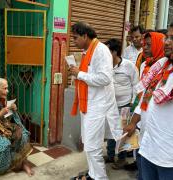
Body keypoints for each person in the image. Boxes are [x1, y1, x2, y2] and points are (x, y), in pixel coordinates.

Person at [125, 20, 173, 180]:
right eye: (166, 37)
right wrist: (133, 122)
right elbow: (146, 99)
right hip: (148, 149)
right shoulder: (162, 66)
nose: (167, 42)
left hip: (172, 159)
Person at [69, 22, 121, 180]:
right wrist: (78, 73)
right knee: (89, 145)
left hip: (98, 107)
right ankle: (93, 174)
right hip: (89, 106)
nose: (74, 41)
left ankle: (99, 177)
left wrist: (80, 74)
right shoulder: (88, 51)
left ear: (85, 36)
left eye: (75, 38)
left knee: (92, 147)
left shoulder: (101, 50)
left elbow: (105, 78)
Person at [124, 31, 165, 178]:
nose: (144, 47)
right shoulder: (146, 65)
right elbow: (144, 97)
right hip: (143, 118)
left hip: (162, 141)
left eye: (149, 45)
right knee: (141, 161)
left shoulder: (167, 71)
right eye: (144, 44)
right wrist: (134, 121)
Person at [104, 38, 139, 169]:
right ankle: (111, 155)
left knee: (122, 133)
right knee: (110, 131)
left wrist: (132, 104)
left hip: (125, 106)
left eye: (107, 51)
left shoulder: (129, 66)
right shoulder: (105, 65)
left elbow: (136, 85)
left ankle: (122, 159)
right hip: (109, 105)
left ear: (114, 52)